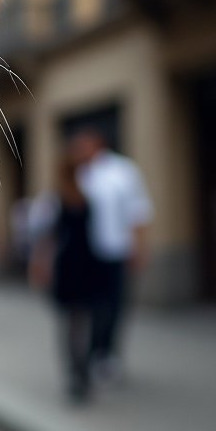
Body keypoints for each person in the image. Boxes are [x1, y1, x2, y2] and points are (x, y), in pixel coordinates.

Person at [71, 128, 154, 381]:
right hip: (86, 255)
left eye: (84, 145)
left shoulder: (122, 171)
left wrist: (139, 249)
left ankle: (106, 353)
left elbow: (138, 212)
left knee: (115, 306)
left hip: (116, 251)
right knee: (92, 307)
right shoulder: (77, 174)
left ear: (97, 143)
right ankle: (91, 354)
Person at [31, 149, 100, 401]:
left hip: (70, 266)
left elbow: (45, 237)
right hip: (84, 264)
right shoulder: (83, 197)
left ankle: (76, 373)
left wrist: (40, 264)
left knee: (70, 325)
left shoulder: (60, 199)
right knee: (82, 321)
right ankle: (81, 372)